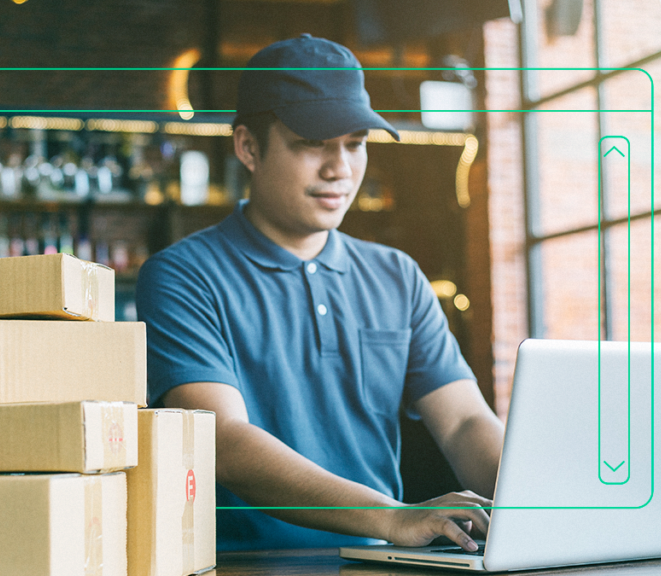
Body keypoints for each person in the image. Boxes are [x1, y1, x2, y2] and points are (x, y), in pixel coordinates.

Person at [135, 33, 504, 552]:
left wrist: (538, 499)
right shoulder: (182, 276)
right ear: (248, 147)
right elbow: (222, 440)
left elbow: (465, 420)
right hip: (240, 565)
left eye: (355, 144)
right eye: (312, 143)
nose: (341, 169)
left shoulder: (397, 275)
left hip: (375, 564)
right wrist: (392, 518)